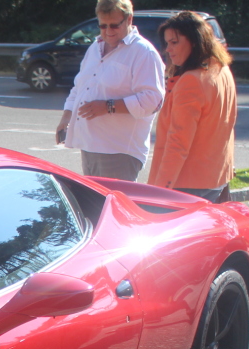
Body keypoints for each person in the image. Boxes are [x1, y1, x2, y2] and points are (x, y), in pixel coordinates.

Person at [55, 0, 164, 181]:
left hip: (119, 149)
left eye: (114, 25)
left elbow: (153, 100)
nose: (108, 31)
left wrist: (108, 106)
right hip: (90, 144)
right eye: (103, 26)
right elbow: (80, 87)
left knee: (113, 206)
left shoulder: (143, 52)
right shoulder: (95, 48)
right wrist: (66, 117)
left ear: (129, 20)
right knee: (95, 207)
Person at [147, 12, 236, 201]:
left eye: (174, 42)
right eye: (166, 43)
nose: (167, 50)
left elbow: (177, 143)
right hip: (216, 177)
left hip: (186, 185)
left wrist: (160, 191)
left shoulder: (192, 81)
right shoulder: (221, 69)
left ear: (194, 41)